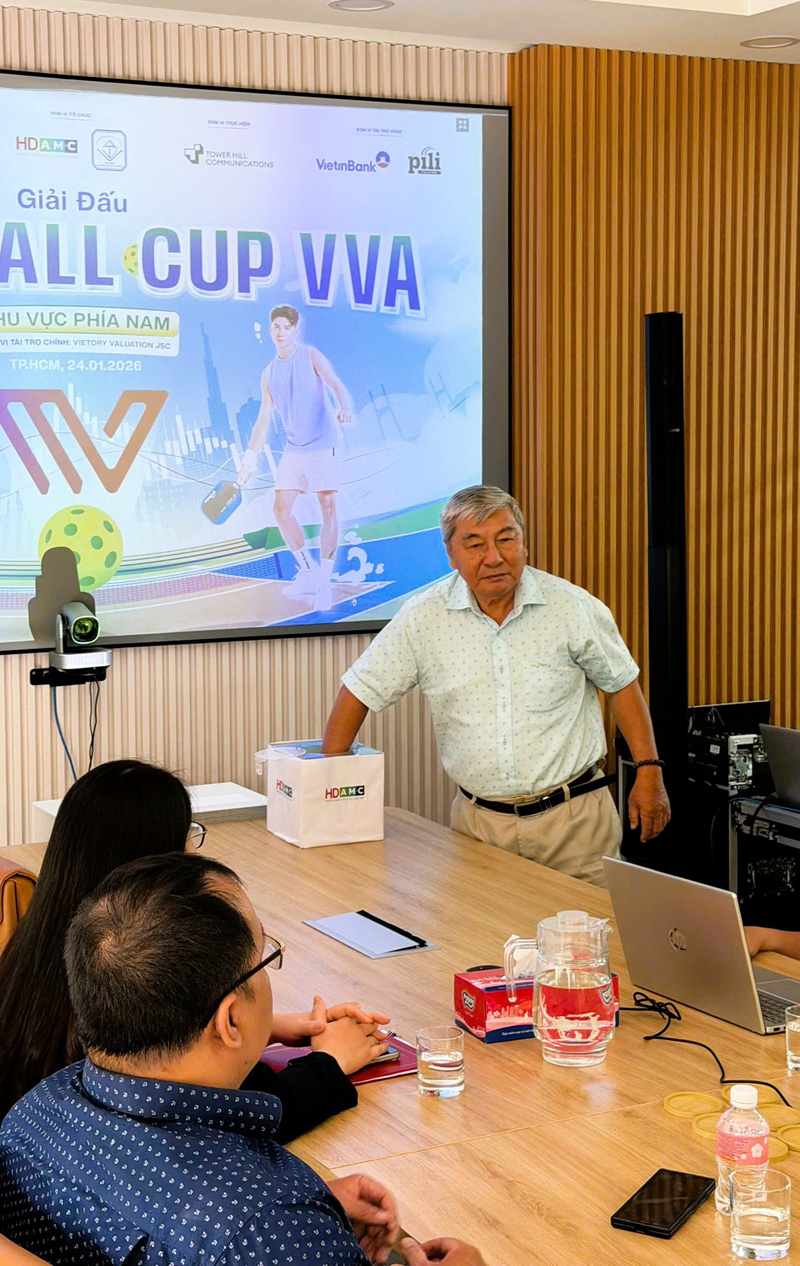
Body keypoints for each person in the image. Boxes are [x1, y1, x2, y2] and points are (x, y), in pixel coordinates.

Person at [0, 853, 485, 1266]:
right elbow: (240, 1233)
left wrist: (310, 1215)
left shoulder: (30, 1116)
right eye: (264, 956)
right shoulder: (266, 1231)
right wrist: (292, 1227)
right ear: (230, 1020)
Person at [0, 759, 389, 1134]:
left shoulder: (39, 950)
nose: (193, 855)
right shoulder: (138, 965)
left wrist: (264, 1026)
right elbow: (238, 1116)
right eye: (187, 837)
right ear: (152, 863)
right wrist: (329, 1063)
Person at [324, 485, 671, 886]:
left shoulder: (572, 606)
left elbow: (621, 685)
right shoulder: (423, 618)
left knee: (591, 926)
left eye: (507, 539)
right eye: (475, 545)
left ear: (524, 542)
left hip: (575, 821)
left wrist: (649, 772)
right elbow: (359, 691)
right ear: (451, 554)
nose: (494, 557)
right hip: (479, 828)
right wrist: (328, 792)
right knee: (481, 927)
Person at [239, 304, 354, 612]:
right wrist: (249, 458)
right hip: (294, 449)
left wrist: (344, 406)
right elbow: (264, 417)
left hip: (323, 443)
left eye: (285, 327)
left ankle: (324, 584)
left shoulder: (311, 355)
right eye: (275, 327)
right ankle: (308, 571)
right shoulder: (268, 373)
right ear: (270, 331)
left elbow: (334, 382)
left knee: (327, 505)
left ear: (295, 330)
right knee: (280, 510)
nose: (280, 332)